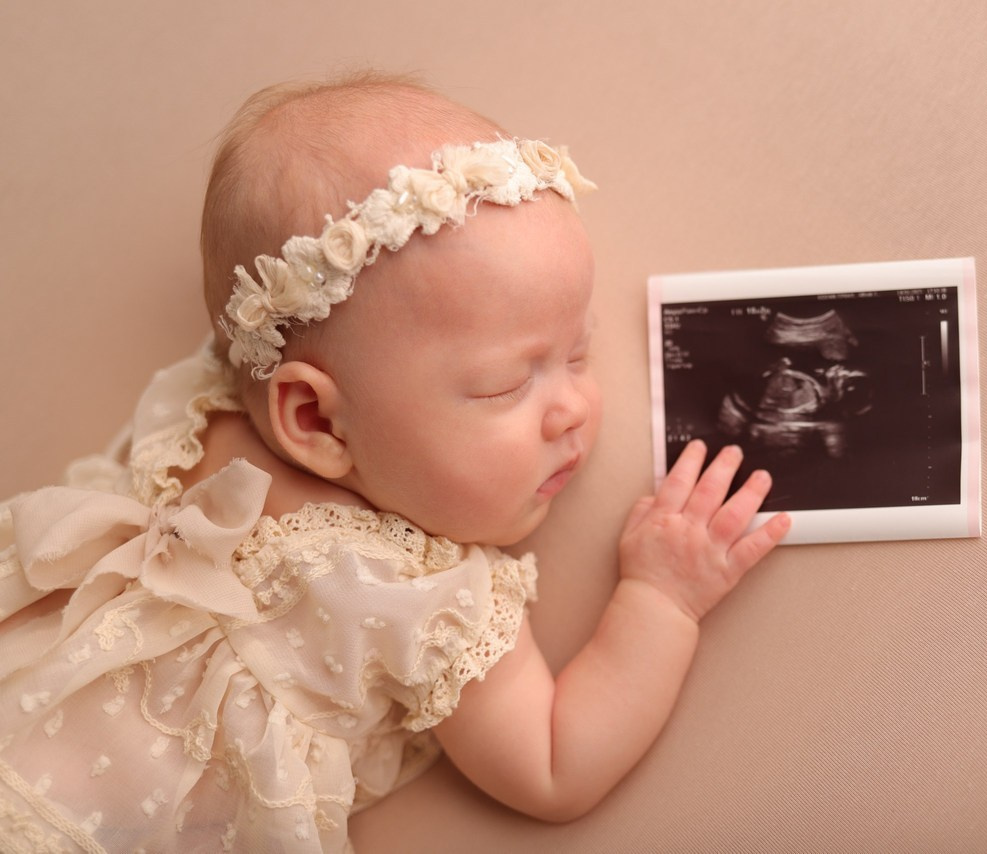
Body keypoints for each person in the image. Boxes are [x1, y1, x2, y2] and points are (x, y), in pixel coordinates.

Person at [0, 71, 790, 851]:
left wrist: (657, 596)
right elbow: (556, 767)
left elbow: (547, 760)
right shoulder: (423, 595)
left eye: (578, 352)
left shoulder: (194, 408)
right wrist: (662, 602)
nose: (574, 407)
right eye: (507, 383)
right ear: (313, 417)